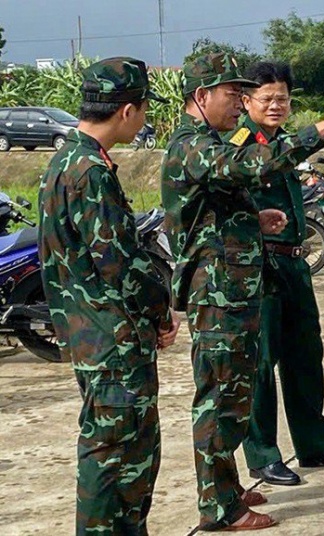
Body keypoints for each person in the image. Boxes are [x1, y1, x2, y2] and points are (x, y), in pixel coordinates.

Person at [161, 52, 324, 532]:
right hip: (222, 290)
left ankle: (230, 488)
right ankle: (225, 500)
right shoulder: (199, 144)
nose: (240, 102)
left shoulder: (207, 143)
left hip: (249, 275)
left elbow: (210, 212)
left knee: (256, 380)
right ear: (203, 96)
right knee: (229, 392)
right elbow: (246, 168)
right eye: (235, 94)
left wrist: (251, 221)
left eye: (248, 93)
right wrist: (319, 129)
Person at [38, 57, 179, 535]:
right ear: (127, 111)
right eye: (143, 110)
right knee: (116, 455)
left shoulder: (66, 160)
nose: (143, 120)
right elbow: (121, 264)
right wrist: (162, 308)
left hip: (91, 334)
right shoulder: (89, 171)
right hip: (111, 338)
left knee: (121, 452)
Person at [225, 61, 324, 487]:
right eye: (266, 98)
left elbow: (288, 153)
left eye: (282, 98)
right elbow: (258, 164)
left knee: (306, 356)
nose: (276, 105)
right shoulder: (240, 143)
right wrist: (322, 127)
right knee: (262, 362)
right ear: (246, 101)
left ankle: (314, 443)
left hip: (293, 262)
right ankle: (263, 453)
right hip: (260, 264)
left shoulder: (281, 139)